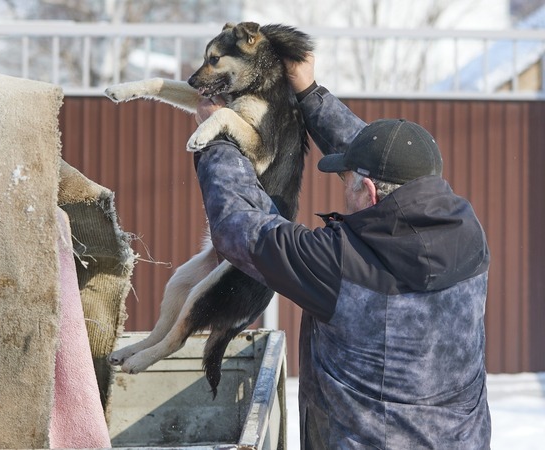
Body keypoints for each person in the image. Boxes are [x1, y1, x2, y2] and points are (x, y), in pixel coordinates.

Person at [193, 54, 491, 449]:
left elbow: (236, 227)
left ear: (368, 193)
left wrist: (219, 138)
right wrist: (309, 93)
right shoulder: (468, 234)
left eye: (346, 181)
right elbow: (390, 163)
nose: (342, 187)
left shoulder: (337, 265)